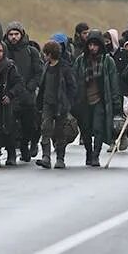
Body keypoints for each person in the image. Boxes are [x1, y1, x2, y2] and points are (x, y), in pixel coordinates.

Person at [73, 30, 122, 167]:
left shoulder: (108, 61)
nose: (92, 48)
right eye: (90, 45)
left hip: (101, 100)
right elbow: (74, 80)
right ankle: (89, 152)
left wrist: (116, 103)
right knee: (86, 129)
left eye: (95, 45)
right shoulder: (81, 61)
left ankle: (96, 155)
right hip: (83, 101)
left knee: (98, 128)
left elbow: (113, 83)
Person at [4, 22, 44, 164]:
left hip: (27, 96)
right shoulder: (3, 51)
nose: (13, 37)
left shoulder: (31, 51)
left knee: (29, 126)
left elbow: (39, 72)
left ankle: (24, 146)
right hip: (9, 96)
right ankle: (11, 154)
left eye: (16, 34)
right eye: (11, 34)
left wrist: (31, 87)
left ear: (21, 34)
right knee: (9, 126)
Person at [35, 40, 77, 169]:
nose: (45, 56)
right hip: (47, 104)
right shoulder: (46, 67)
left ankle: (60, 158)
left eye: (46, 54)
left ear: (50, 54)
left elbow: (72, 87)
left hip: (61, 105)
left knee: (60, 132)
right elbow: (42, 86)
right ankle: (46, 157)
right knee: (45, 129)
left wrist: (68, 103)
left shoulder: (65, 68)